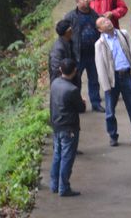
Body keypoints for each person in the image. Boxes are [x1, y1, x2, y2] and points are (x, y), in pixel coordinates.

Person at [93, 16, 131, 147]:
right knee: (110, 111)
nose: (107, 22)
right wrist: (105, 85)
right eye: (103, 22)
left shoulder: (123, 34)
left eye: (107, 20)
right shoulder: (100, 44)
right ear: (99, 29)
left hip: (126, 75)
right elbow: (100, 65)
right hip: (112, 78)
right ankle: (113, 135)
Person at [49, 58, 85, 197]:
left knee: (57, 155)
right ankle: (63, 186)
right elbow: (80, 108)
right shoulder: (72, 90)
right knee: (67, 157)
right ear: (74, 71)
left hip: (57, 124)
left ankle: (54, 184)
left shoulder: (55, 83)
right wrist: (82, 102)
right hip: (69, 127)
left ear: (61, 70)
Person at [63, 0, 104, 111]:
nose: (86, 0)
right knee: (76, 80)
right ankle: (77, 103)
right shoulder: (71, 16)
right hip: (78, 54)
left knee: (94, 79)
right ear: (77, 2)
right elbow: (65, 33)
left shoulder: (94, 15)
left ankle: (96, 103)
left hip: (93, 53)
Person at [49, 18, 78, 84]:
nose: (72, 30)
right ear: (68, 31)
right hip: (63, 84)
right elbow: (56, 69)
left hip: (71, 79)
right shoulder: (57, 50)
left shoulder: (69, 42)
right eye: (71, 29)